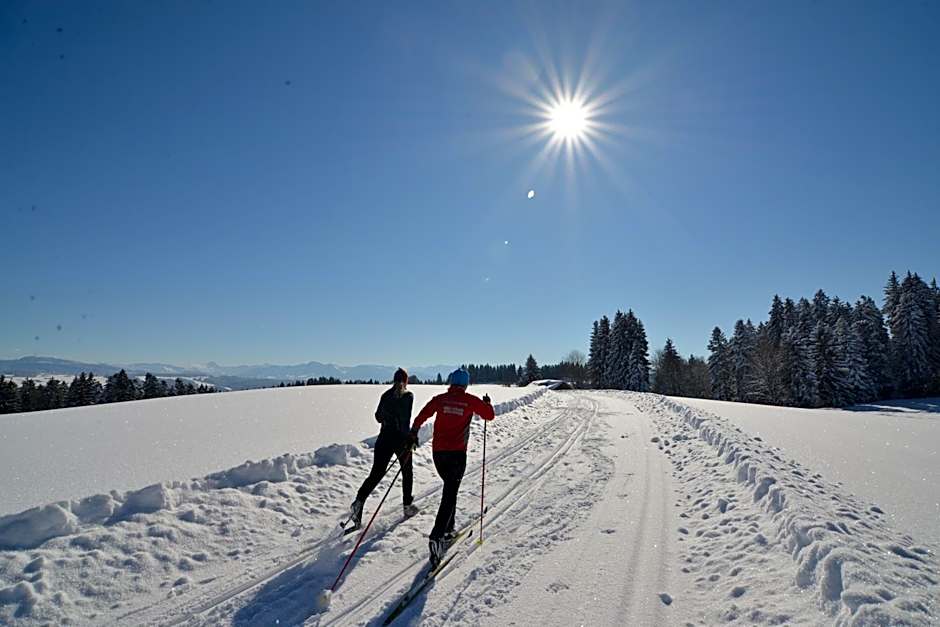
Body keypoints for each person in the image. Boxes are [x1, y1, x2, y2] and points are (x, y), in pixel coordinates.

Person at [409, 367, 494, 567]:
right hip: (457, 455)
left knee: (449, 489)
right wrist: (487, 403)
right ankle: (437, 536)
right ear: (465, 384)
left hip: (438, 455)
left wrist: (414, 432)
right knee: (450, 494)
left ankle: (448, 529)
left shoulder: (440, 399)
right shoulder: (470, 400)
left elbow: (421, 416)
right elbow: (489, 416)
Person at [349, 368, 419, 528]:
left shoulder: (385, 395)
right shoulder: (408, 396)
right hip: (400, 440)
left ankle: (358, 502)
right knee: (407, 471)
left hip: (384, 439)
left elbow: (378, 417)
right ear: (406, 381)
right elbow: (405, 421)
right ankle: (407, 506)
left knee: (376, 473)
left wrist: (388, 416)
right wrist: (410, 437)